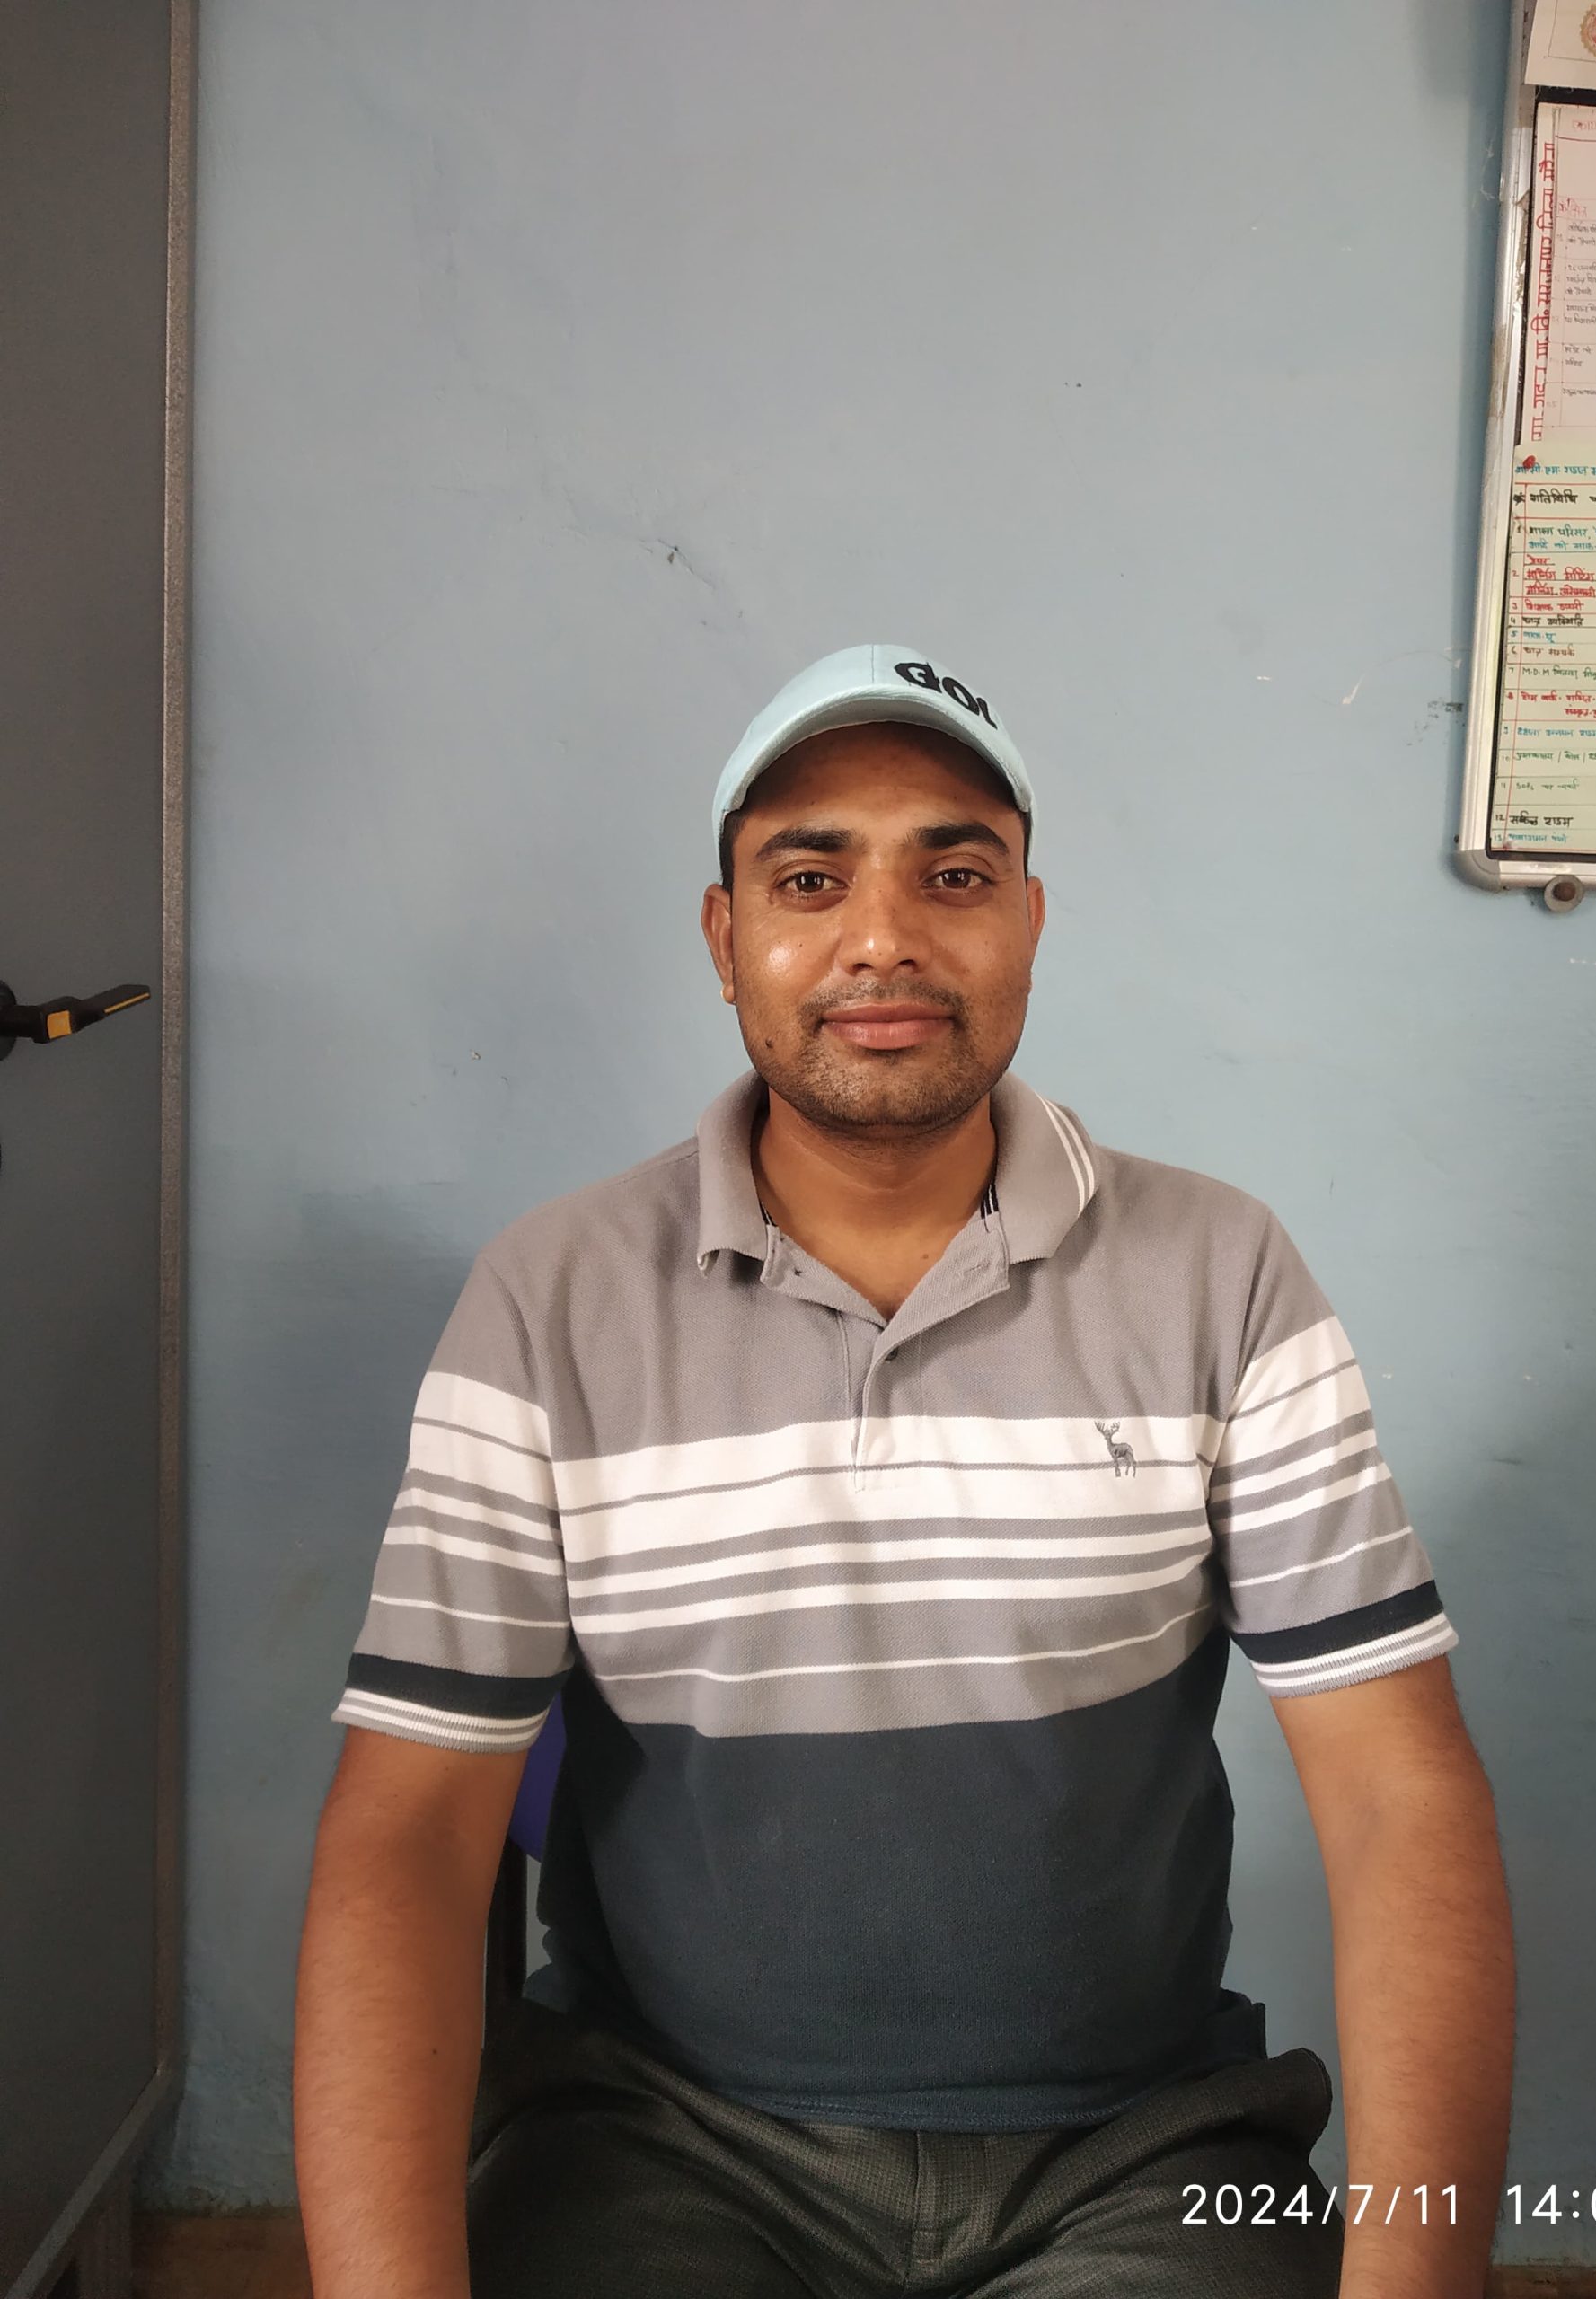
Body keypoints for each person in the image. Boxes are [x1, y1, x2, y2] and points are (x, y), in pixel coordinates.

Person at [294, 644, 1515, 2299]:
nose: (884, 935)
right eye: (811, 878)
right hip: (663, 2145)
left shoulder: (1221, 1274)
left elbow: (1396, 1794)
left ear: (1030, 920)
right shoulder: (552, 1298)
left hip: (1141, 2152)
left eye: (955, 874)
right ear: (725, 938)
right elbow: (409, 1835)